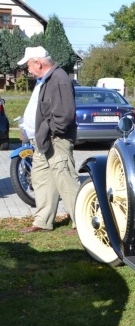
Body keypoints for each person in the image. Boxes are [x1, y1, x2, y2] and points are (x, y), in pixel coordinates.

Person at [17, 46, 80, 234]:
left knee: (66, 180)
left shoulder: (58, 79)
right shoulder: (45, 79)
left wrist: (49, 132)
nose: (27, 69)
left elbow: (65, 116)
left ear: (38, 63)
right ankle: (43, 221)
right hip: (43, 140)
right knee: (41, 179)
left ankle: (81, 222)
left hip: (56, 139)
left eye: (28, 65)